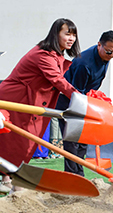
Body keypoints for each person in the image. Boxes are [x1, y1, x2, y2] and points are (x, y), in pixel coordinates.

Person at [0, 18, 81, 193]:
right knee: (15, 141)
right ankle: (13, 182)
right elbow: (57, 80)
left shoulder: (56, 55)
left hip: (30, 101)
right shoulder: (43, 55)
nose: (71, 39)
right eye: (67, 34)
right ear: (56, 34)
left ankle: (9, 181)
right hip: (16, 100)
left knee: (21, 141)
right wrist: (81, 99)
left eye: (74, 35)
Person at [56, 31, 113, 176]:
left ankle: (79, 173)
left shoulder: (105, 56)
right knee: (72, 140)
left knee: (84, 139)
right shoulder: (84, 63)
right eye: (109, 52)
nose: (111, 55)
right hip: (69, 100)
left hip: (84, 99)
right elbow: (75, 93)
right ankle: (73, 176)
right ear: (99, 45)